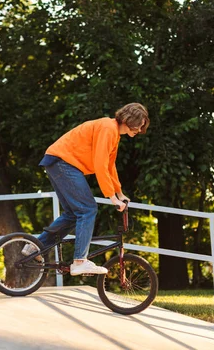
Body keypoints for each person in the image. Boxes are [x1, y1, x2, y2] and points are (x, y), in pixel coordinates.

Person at [23, 103, 149, 275]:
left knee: (73, 214)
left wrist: (119, 192)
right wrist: (111, 197)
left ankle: (35, 247)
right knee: (88, 209)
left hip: (57, 162)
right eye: (139, 123)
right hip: (63, 162)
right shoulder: (108, 128)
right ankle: (80, 261)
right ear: (130, 119)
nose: (141, 128)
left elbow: (110, 166)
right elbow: (100, 164)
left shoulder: (114, 133)